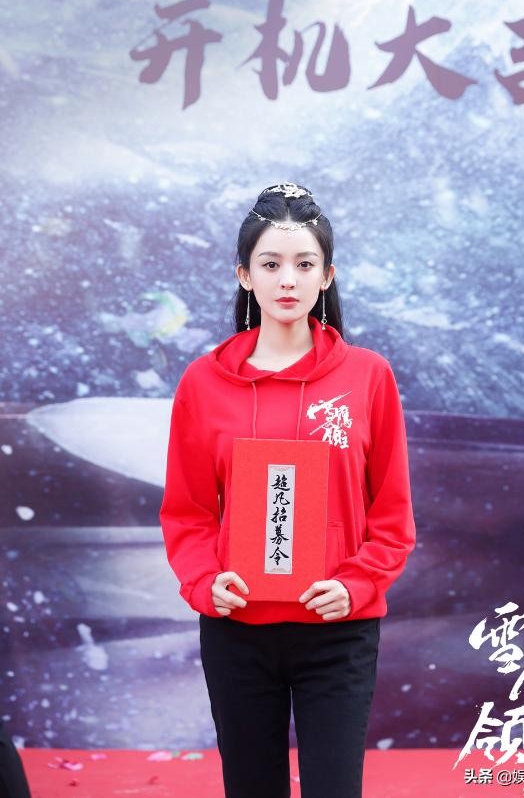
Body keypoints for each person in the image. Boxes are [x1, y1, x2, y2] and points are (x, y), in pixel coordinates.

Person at [159, 182, 416, 798]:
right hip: (238, 626)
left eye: (304, 264)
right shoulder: (203, 382)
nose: (288, 281)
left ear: (327, 276)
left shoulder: (367, 376)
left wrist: (357, 584)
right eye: (271, 264)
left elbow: (393, 513)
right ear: (245, 275)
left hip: (337, 628)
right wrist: (203, 581)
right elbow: (187, 511)